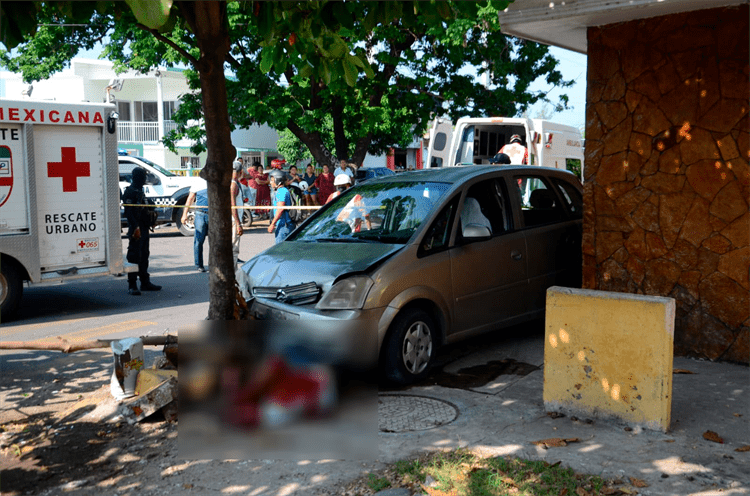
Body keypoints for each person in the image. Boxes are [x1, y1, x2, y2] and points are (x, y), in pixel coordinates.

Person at [122, 167, 161, 295]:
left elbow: (147, 204)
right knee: (134, 256)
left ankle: (145, 282)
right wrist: (135, 227)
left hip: (144, 227)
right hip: (136, 229)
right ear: (137, 177)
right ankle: (132, 285)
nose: (145, 179)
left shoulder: (140, 191)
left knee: (144, 256)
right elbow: (129, 212)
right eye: (143, 176)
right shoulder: (130, 192)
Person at [182, 174, 209, 272]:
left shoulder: (216, 179)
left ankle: (214, 264)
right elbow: (190, 198)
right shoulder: (198, 181)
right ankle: (199, 264)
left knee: (214, 242)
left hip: (213, 215)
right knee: (198, 240)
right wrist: (184, 214)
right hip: (200, 214)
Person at [267, 170, 296, 243]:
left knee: (280, 251)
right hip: (286, 224)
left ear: (278, 180)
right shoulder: (284, 190)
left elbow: (280, 209)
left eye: (272, 180)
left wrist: (272, 224)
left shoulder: (281, 191)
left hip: (284, 225)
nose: (270, 182)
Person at [231, 159, 244, 266]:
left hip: (232, 219)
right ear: (240, 172)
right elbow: (233, 205)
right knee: (234, 249)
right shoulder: (233, 185)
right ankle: (232, 273)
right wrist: (238, 223)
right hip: (233, 221)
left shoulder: (231, 183)